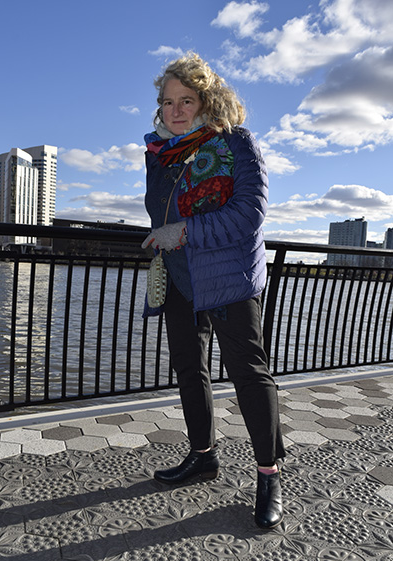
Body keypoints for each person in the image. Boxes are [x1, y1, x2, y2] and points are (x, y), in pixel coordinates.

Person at [141, 52, 285, 529]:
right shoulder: (160, 155)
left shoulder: (234, 143)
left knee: (248, 372)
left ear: (207, 100)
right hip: (180, 278)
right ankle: (202, 455)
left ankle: (269, 475)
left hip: (226, 275)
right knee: (188, 366)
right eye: (168, 102)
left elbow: (249, 214)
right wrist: (165, 236)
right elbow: (162, 213)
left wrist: (182, 232)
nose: (176, 110)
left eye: (187, 99)